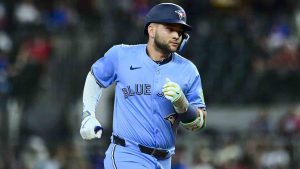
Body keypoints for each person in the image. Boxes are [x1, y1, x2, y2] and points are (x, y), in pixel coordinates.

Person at [80, 3, 207, 169]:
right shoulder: (121, 55)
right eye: (170, 29)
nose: (177, 35)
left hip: (164, 160)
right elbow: (95, 77)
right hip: (127, 154)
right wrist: (88, 114)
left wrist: (183, 105)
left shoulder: (188, 70)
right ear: (151, 30)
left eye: (180, 31)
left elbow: (199, 123)